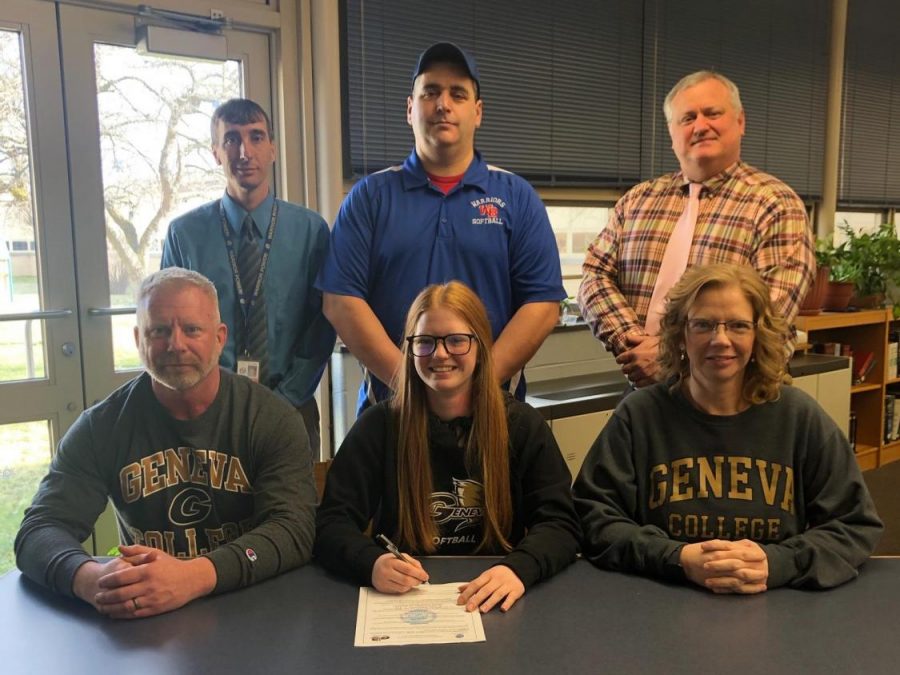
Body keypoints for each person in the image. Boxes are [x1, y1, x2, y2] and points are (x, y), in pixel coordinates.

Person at [15, 268, 317, 618]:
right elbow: (39, 531)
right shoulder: (103, 427)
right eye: (158, 331)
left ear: (220, 338)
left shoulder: (270, 418)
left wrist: (194, 576)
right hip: (149, 616)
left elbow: (293, 529)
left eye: (192, 329)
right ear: (138, 339)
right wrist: (91, 579)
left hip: (256, 604)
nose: (175, 344)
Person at [573, 263, 882, 592]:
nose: (720, 340)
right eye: (703, 325)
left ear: (757, 334)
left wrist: (778, 562)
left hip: (778, 608)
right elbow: (594, 518)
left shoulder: (799, 417)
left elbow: (854, 525)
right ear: (680, 333)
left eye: (737, 325)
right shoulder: (640, 415)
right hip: (660, 607)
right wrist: (677, 558)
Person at [317, 42, 564, 414]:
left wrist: (477, 387)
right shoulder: (370, 197)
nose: (443, 104)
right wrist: (410, 384)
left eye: (458, 94)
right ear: (410, 108)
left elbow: (542, 305)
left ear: (477, 112)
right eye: (430, 92)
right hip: (393, 409)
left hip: (492, 409)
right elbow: (340, 301)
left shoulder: (516, 196)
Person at [315, 281, 579, 612]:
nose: (440, 354)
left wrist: (519, 568)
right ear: (410, 349)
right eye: (425, 342)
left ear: (481, 345)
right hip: (404, 602)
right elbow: (332, 523)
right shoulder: (379, 426)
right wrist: (371, 562)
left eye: (456, 340)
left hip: (494, 598)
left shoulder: (522, 425)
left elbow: (561, 524)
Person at [578, 71, 815, 388]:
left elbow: (768, 318)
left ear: (740, 122)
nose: (701, 126)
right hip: (644, 399)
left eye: (713, 113)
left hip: (738, 403)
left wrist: (665, 356)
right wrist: (629, 339)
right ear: (671, 132)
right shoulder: (636, 202)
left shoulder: (776, 205)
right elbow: (594, 276)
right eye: (687, 118)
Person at [161, 98, 334, 455]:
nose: (244, 151)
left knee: (296, 509)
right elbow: (169, 324)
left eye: (256, 137)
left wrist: (286, 398)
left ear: (272, 148)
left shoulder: (310, 230)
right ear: (215, 152)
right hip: (209, 410)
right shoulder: (185, 234)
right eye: (231, 139)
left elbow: (322, 324)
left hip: (292, 406)